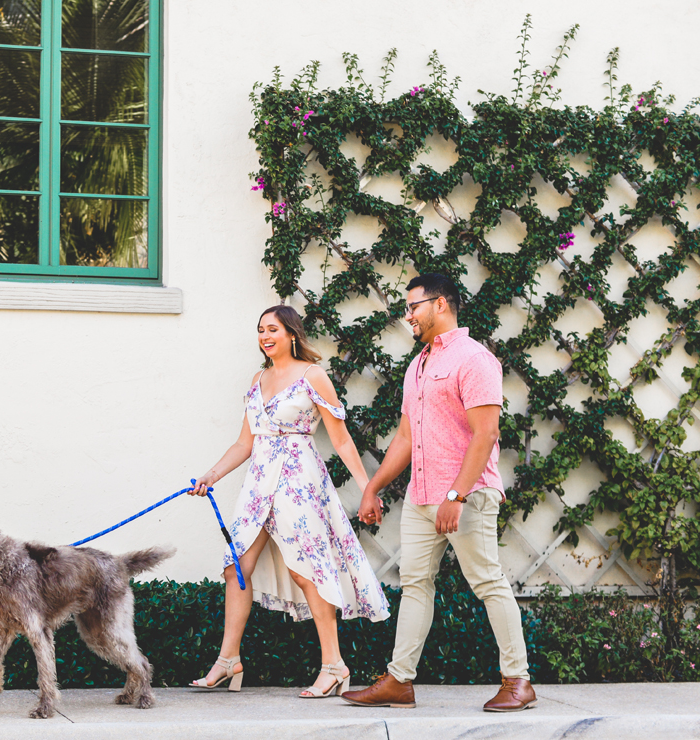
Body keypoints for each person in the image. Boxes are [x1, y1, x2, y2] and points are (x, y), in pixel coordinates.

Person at [345, 274, 536, 713]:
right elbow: (406, 437)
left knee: (488, 581)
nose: (408, 315)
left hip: (466, 495)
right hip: (421, 495)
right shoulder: (420, 364)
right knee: (414, 584)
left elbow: (486, 434)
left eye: (414, 306)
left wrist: (457, 495)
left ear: (442, 305)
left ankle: (518, 680)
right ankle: (399, 680)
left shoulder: (475, 359)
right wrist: (373, 487)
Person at [188, 305, 389, 697]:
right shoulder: (257, 378)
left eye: (273, 329)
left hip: (298, 479)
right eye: (260, 329)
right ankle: (229, 660)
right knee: (236, 568)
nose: (265, 336)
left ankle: (334, 664)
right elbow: (245, 442)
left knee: (306, 570)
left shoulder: (313, 375)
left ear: (292, 334)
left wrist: (369, 488)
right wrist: (211, 475)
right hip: (258, 480)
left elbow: (342, 439)